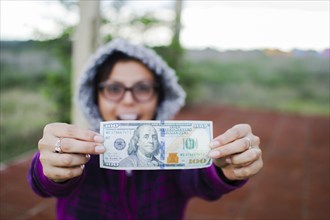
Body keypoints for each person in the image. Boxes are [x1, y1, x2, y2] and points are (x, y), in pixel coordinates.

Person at [28, 38, 263, 220]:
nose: (128, 100)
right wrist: (48, 165)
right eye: (113, 88)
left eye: (142, 88)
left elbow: (201, 179)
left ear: (159, 97)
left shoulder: (175, 148)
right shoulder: (79, 151)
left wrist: (224, 169)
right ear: (95, 97)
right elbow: (44, 184)